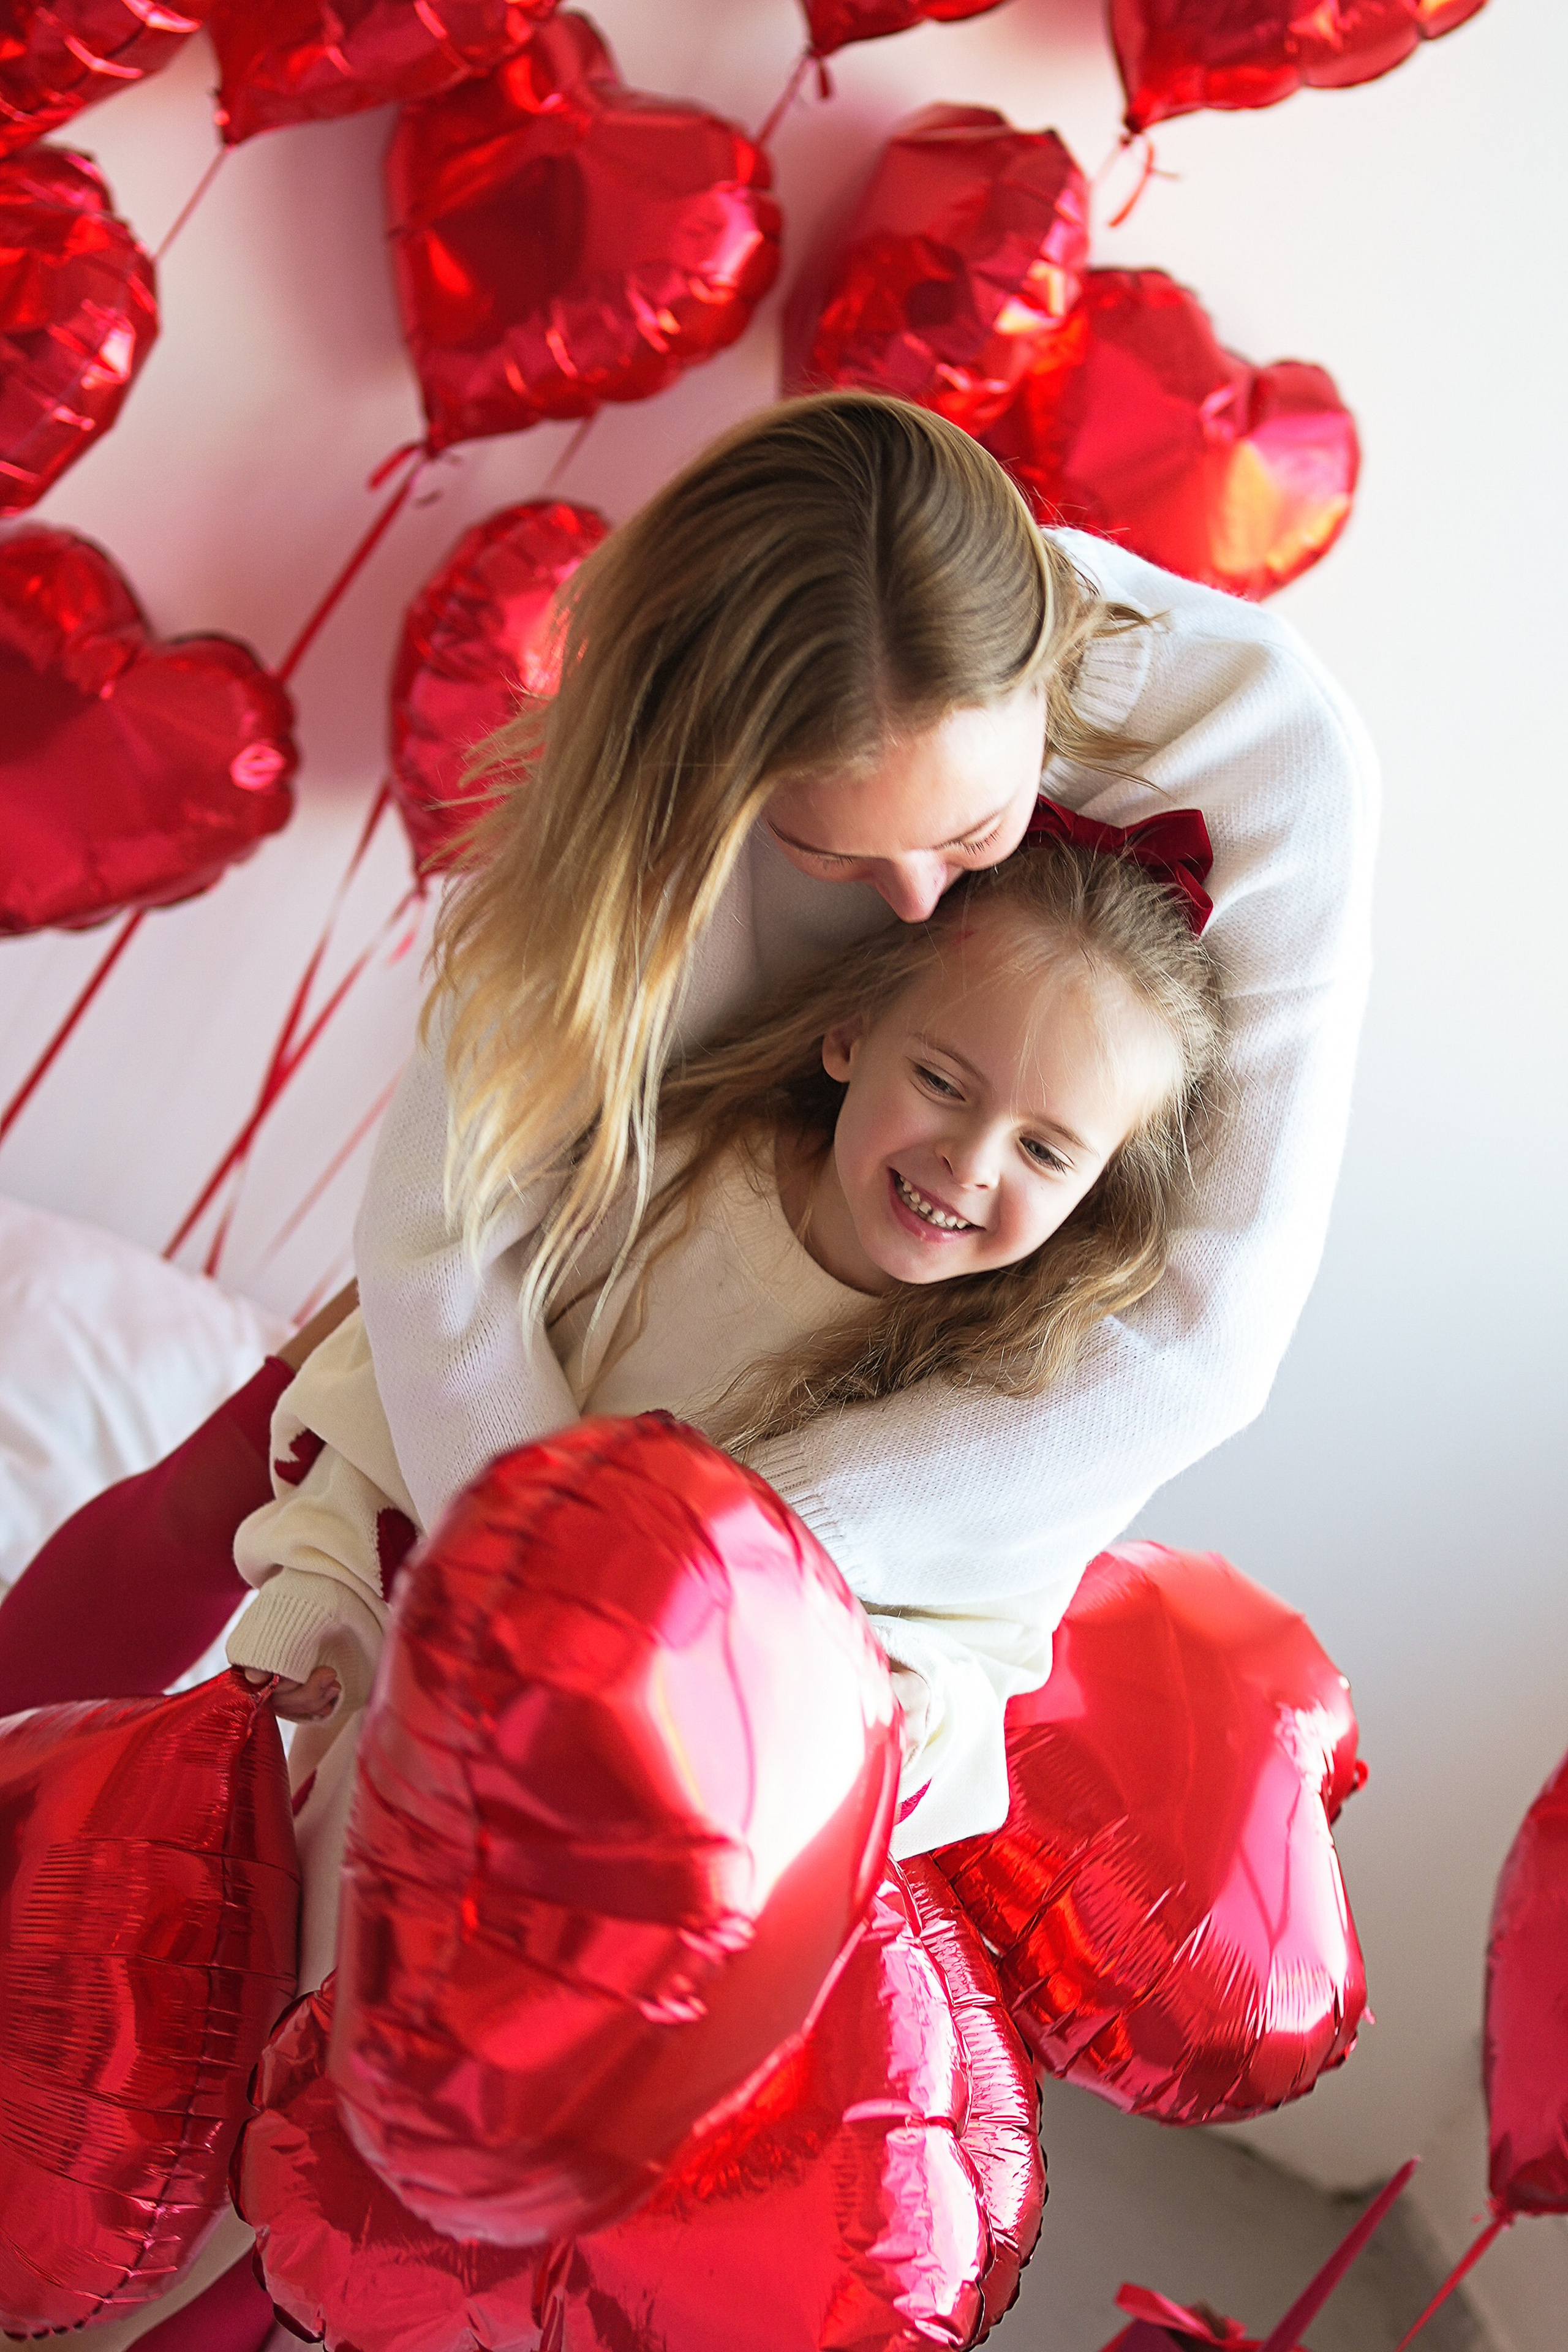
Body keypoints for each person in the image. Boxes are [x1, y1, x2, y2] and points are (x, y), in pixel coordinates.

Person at [352, 390, 1376, 1726]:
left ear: (1043, 667)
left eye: (968, 834)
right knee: (253, 1496)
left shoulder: (1265, 748)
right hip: (614, 1281)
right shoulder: (671, 731)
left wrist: (738, 1545)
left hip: (921, 1442)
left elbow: (1199, 1339)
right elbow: (443, 1217)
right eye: (825, 848)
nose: (906, 902)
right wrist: (537, 1554)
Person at [225, 824, 1225, 1852]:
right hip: (422, 1740)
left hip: (645, 1850)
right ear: (850, 1034)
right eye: (941, 1082)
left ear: (1096, 1192)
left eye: (1045, 1151)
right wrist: (322, 1589)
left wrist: (878, 1712)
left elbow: (983, 1658)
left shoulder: (999, 1413)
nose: (970, 1161)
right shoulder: (673, 1179)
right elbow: (422, 1385)